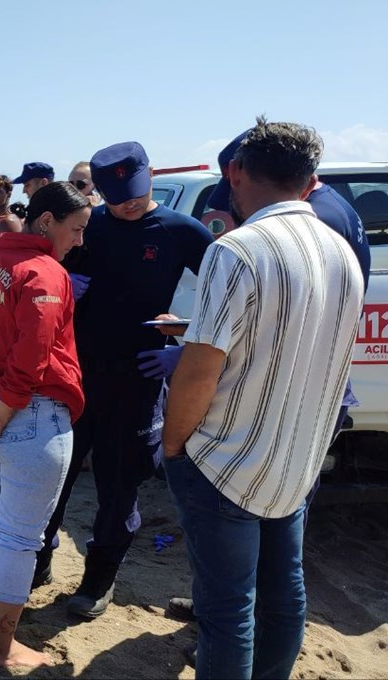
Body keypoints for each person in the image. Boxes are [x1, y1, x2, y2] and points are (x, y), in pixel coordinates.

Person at [161, 119, 363, 679]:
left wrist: (175, 445)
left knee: (228, 612)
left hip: (228, 458)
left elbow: (201, 369)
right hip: (296, 458)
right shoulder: (340, 251)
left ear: (235, 173)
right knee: (284, 595)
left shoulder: (239, 250)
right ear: (310, 179)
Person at [34, 141, 214, 619]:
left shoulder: (182, 232)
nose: (126, 204)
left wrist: (186, 344)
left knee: (120, 486)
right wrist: (60, 280)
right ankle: (39, 560)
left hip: (138, 378)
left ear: (150, 176)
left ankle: (98, 579)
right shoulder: (89, 227)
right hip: (76, 373)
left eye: (133, 192)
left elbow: (231, 302)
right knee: (53, 474)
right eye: (114, 197)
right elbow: (39, 271)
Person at [0, 182, 89, 667]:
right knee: (21, 536)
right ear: (46, 223)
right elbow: (33, 353)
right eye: (76, 229)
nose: (80, 240)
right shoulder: (46, 273)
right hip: (29, 412)